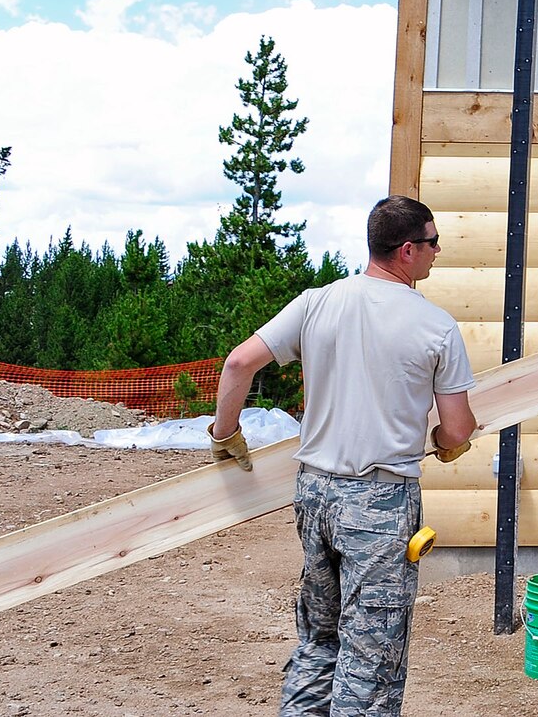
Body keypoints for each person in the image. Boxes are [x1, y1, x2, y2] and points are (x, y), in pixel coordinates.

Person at [208, 196, 479, 717]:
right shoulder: (436, 326)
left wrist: (225, 433)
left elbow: (239, 362)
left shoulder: (316, 302)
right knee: (371, 657)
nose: (437, 252)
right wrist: (448, 444)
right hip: (379, 502)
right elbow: (457, 427)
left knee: (318, 637)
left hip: (314, 493)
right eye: (432, 242)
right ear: (406, 251)